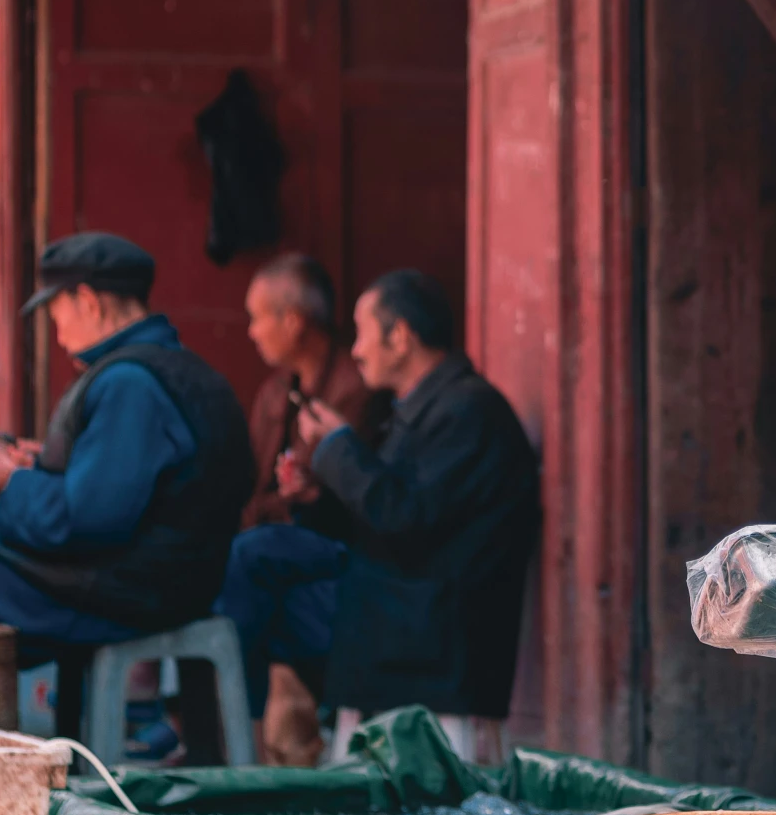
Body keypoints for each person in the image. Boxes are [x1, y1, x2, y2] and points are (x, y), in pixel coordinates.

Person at [218, 269, 539, 734]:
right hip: (397, 602)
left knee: (263, 567)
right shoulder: (427, 407)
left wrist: (336, 446)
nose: (356, 350)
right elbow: (385, 514)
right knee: (258, 560)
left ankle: (233, 734)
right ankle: (243, 727)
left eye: (364, 334)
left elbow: (404, 518)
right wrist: (318, 493)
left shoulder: (469, 411)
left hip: (435, 624)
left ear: (401, 337)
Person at [0, 232, 254, 656]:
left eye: (56, 313)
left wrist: (11, 481)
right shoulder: (175, 368)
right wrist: (42, 464)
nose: (58, 333)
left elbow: (84, 523)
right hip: (154, 584)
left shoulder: (131, 383)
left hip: (125, 595)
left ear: (88, 301)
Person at [241, 251, 386, 762]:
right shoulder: (273, 391)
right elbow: (251, 487)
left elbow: (367, 499)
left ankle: (241, 724)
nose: (252, 332)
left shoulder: (357, 389)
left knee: (250, 563)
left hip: (337, 554)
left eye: (258, 317)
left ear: (293, 320)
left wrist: (309, 490)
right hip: (278, 545)